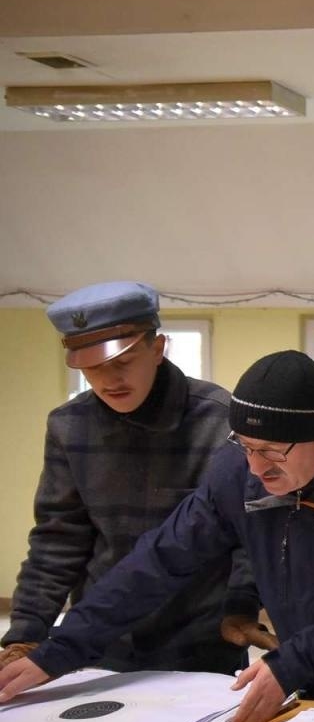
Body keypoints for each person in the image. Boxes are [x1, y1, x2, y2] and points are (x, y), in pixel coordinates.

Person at [0, 351, 314, 722]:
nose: (255, 469)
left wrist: (290, 663)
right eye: (244, 445)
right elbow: (159, 560)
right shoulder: (237, 471)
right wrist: (58, 650)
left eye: (271, 453)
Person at [0, 281, 258, 677]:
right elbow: (58, 539)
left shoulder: (220, 419)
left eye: (122, 362)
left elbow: (248, 533)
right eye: (92, 368)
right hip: (100, 635)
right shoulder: (68, 426)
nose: (108, 380)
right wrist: (25, 634)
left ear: (158, 349)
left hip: (201, 637)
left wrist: (240, 605)